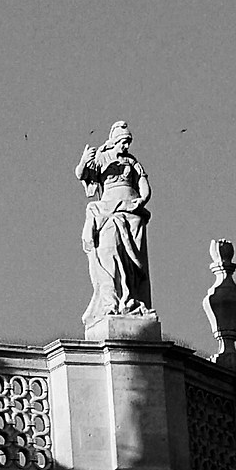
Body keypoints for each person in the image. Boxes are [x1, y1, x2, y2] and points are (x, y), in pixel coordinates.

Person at [77, 121, 154, 321]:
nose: (126, 146)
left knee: (131, 261)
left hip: (132, 211)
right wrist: (84, 161)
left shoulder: (132, 161)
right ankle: (113, 300)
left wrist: (141, 200)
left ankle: (130, 298)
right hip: (108, 210)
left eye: (128, 142)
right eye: (123, 142)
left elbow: (144, 184)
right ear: (114, 141)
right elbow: (83, 174)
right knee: (108, 250)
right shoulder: (103, 157)